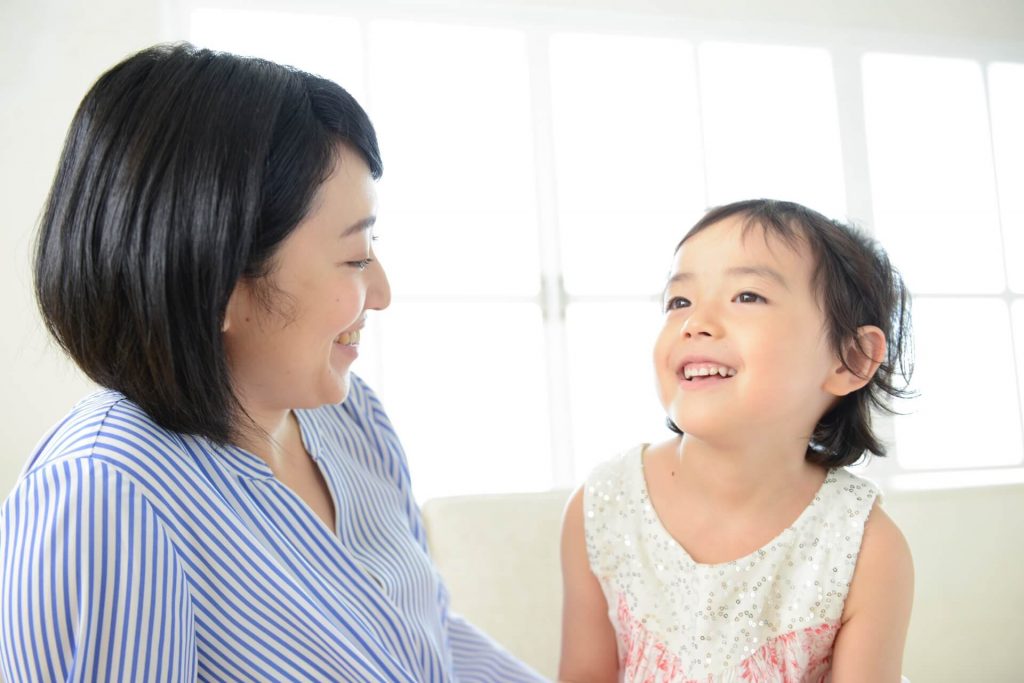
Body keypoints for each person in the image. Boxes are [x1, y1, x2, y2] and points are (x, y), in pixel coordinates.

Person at [0, 43, 544, 683]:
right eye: (354, 258)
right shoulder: (108, 500)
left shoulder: (351, 418)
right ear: (218, 284)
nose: (384, 293)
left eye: (374, 246)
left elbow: (430, 644)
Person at [558, 199, 915, 682]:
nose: (694, 321)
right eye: (679, 301)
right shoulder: (602, 505)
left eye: (746, 296)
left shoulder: (866, 547)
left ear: (850, 358)